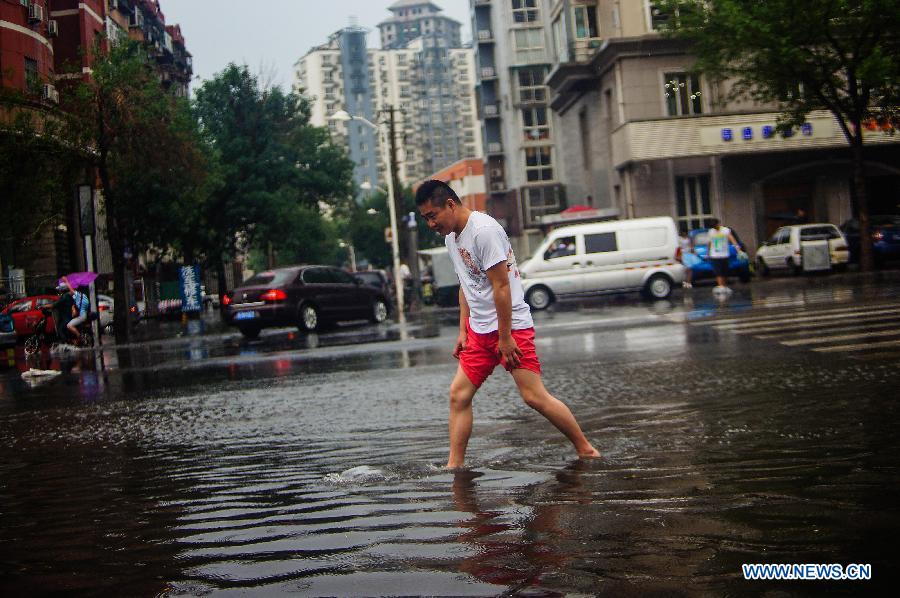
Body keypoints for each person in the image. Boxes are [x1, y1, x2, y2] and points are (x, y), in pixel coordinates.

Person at [415, 180, 600, 468]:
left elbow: (501, 287)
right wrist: (463, 329)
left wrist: (504, 337)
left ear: (450, 204)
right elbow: (466, 285)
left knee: (534, 397)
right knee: (458, 395)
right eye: (425, 218)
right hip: (479, 331)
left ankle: (585, 449)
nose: (430, 224)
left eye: (432, 215)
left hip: (510, 328)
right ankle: (455, 466)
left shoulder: (484, 231)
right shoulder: (452, 238)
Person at [706, 219, 740, 294]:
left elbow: (732, 239)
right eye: (714, 227)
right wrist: (707, 253)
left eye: (716, 226)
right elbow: (709, 243)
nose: (715, 228)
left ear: (718, 224)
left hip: (724, 254)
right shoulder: (711, 232)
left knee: (724, 271)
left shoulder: (725, 230)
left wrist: (738, 249)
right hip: (715, 255)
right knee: (718, 272)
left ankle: (724, 286)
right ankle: (720, 286)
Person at [61, 276, 89, 342]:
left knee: (69, 325)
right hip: (84, 315)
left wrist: (66, 281)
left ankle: (79, 336)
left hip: (81, 316)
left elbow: (71, 290)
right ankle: (77, 338)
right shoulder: (85, 296)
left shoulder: (78, 296)